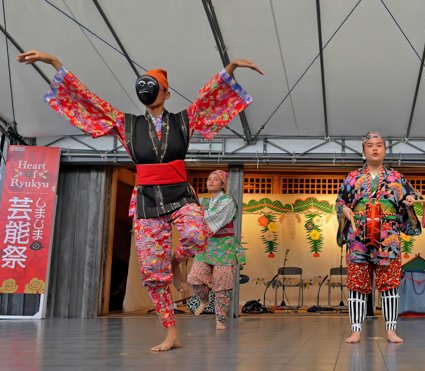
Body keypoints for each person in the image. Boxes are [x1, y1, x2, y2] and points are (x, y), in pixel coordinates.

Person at [19, 50, 262, 351]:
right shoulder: (126, 123)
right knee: (151, 272)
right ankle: (171, 332)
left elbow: (209, 97)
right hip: (147, 199)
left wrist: (232, 66)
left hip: (180, 193)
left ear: (166, 92)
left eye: (154, 84)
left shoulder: (184, 119)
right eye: (144, 84)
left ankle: (176, 260)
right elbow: (89, 101)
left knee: (196, 236)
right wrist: (55, 63)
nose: (147, 89)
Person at [336, 132, 421, 343]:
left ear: (384, 150)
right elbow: (340, 202)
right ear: (364, 150)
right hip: (359, 237)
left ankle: (391, 331)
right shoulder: (352, 177)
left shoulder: (396, 177)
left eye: (379, 145)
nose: (375, 149)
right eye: (370, 145)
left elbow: (410, 197)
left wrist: (409, 199)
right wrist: (345, 209)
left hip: (387, 238)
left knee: (390, 285)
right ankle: (356, 330)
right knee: (357, 285)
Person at [187, 170, 246, 330]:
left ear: (223, 184)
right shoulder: (203, 202)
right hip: (207, 246)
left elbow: (210, 218)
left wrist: (196, 214)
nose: (211, 181)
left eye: (216, 179)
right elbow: (189, 211)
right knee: (194, 278)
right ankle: (205, 300)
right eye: (209, 179)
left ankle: (220, 320)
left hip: (225, 248)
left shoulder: (228, 201)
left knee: (222, 286)